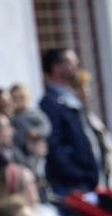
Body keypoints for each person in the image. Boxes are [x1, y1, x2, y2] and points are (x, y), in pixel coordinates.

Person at [39, 48, 105, 195]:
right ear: (56, 68)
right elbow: (55, 146)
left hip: (87, 184)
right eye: (70, 61)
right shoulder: (50, 103)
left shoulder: (72, 98)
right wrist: (78, 175)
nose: (77, 64)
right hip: (72, 187)